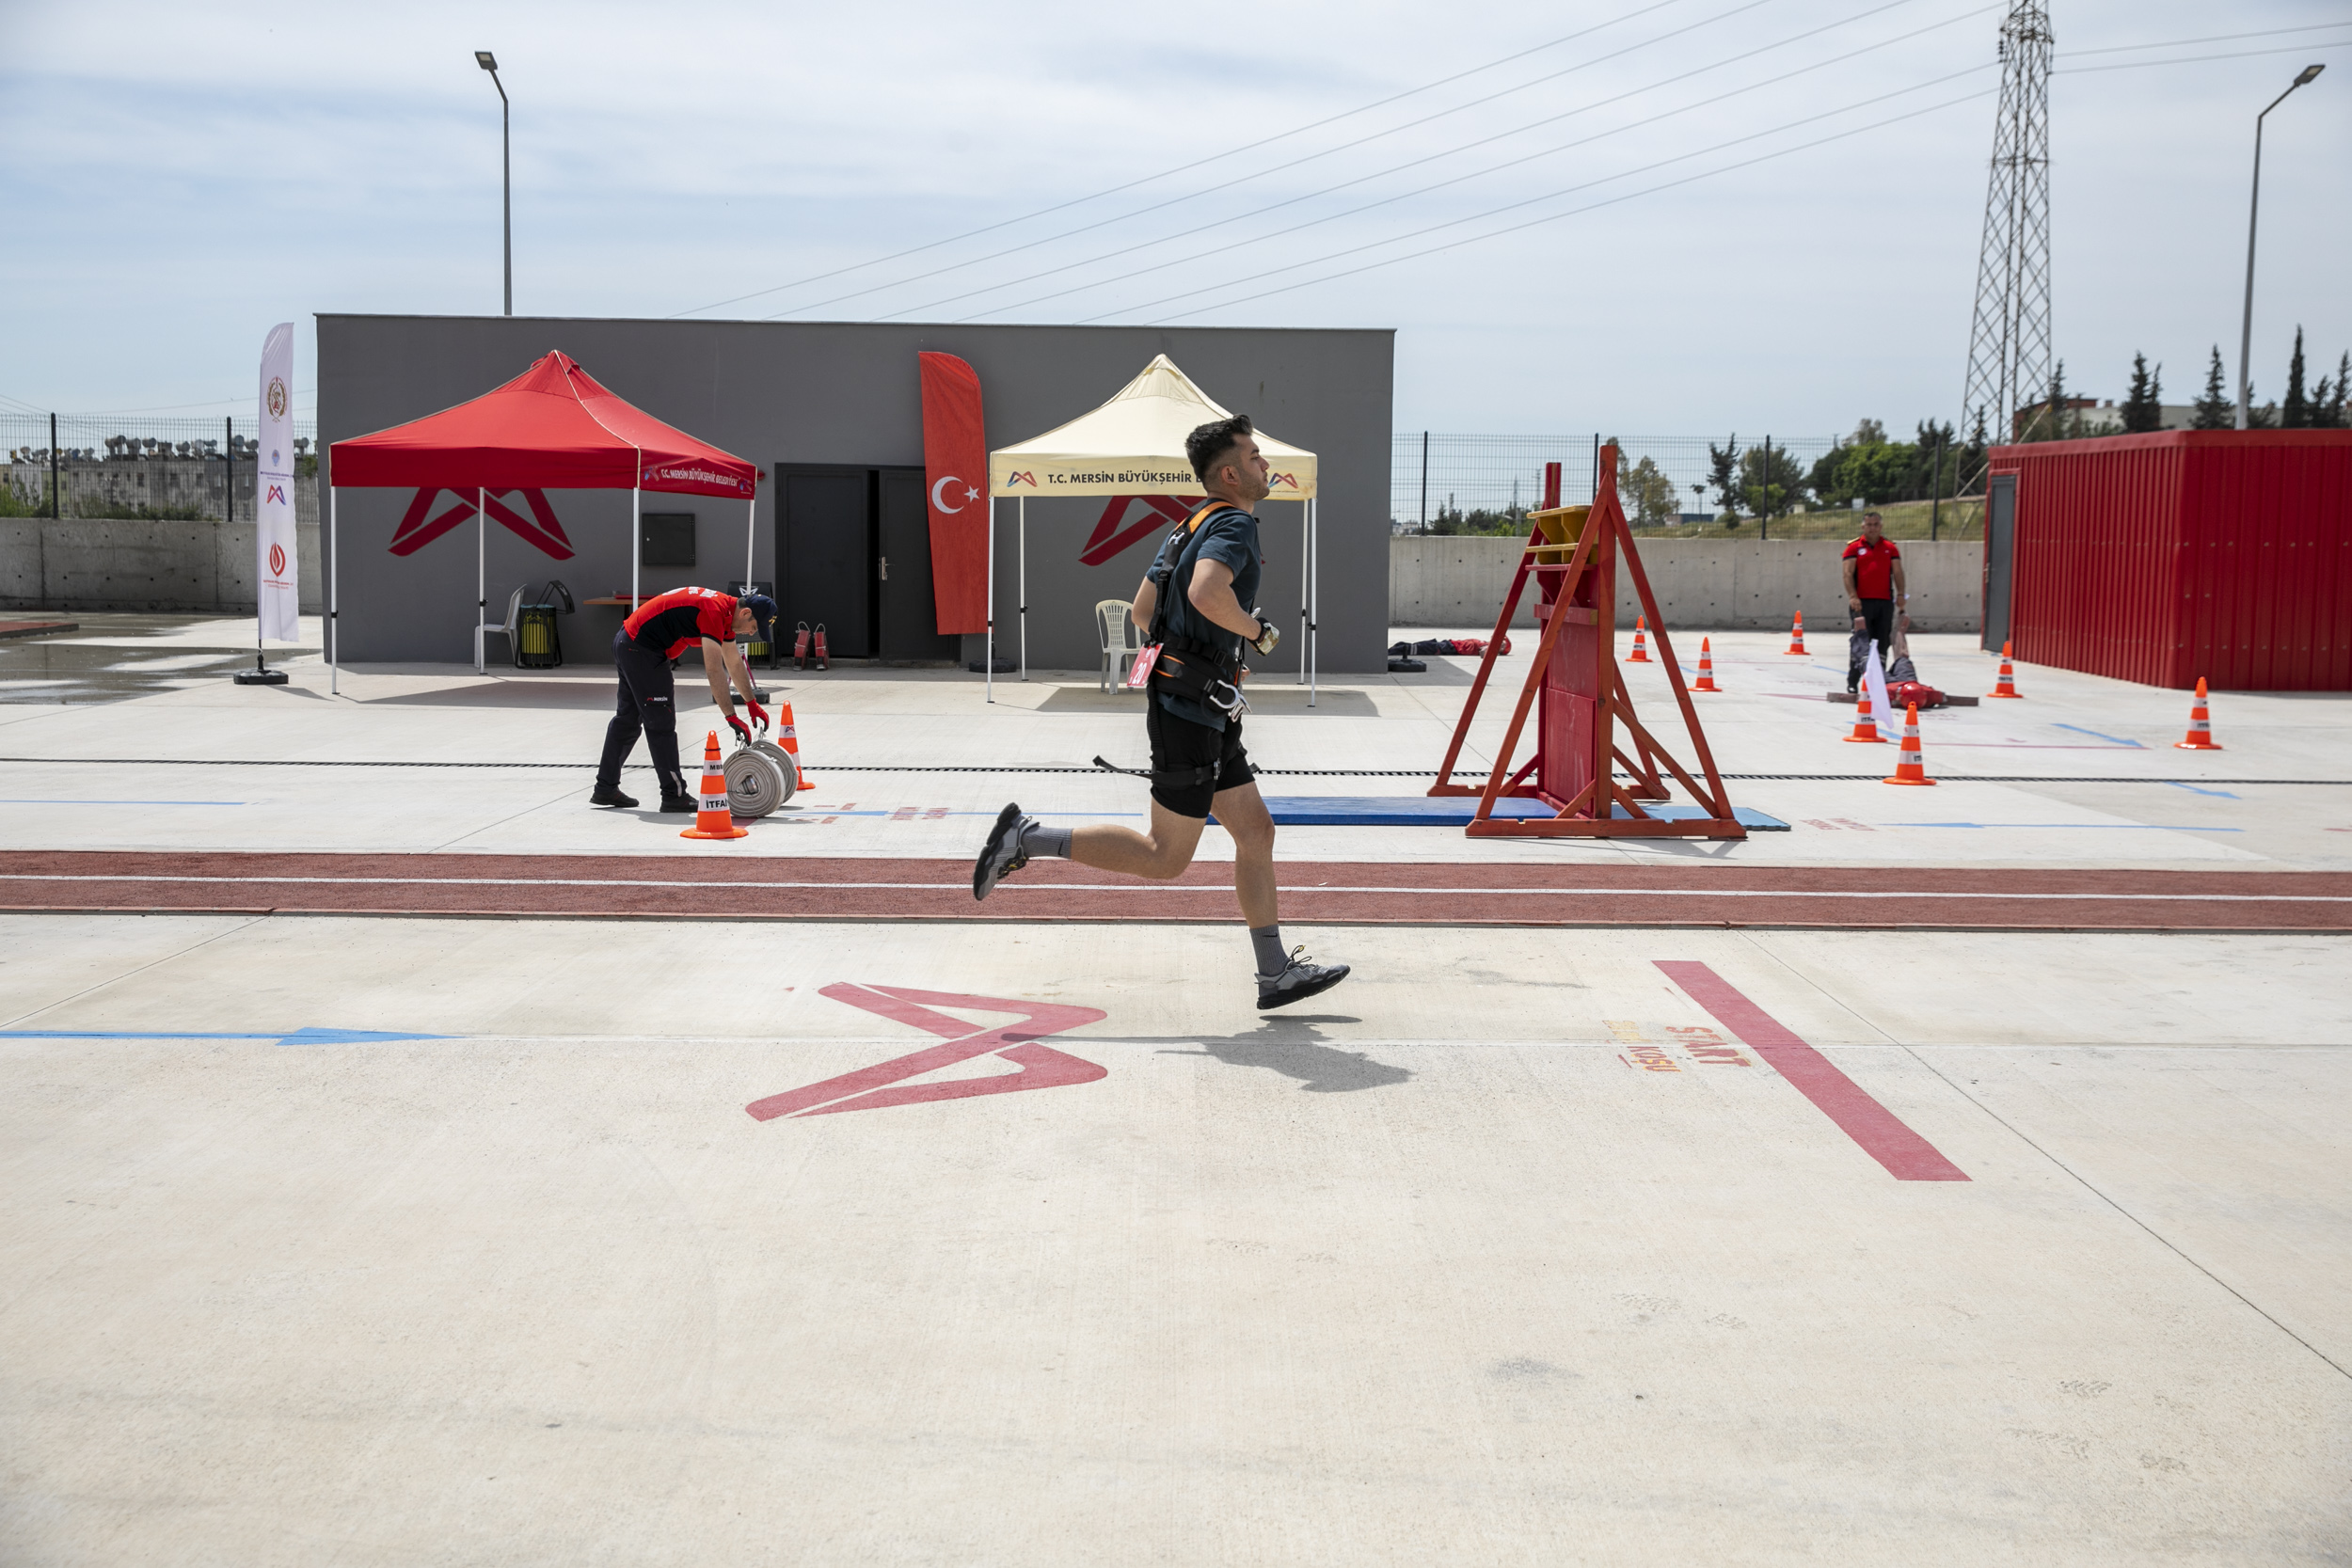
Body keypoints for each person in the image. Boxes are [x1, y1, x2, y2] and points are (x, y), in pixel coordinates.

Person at [971, 415, 1349, 1010]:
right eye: (1254, 457)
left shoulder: (1187, 525)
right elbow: (1204, 594)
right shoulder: (1235, 525)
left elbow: (1146, 611)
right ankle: (1027, 837)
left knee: (1255, 832)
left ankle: (1275, 973)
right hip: (1192, 712)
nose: (1264, 466)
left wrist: (1211, 655)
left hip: (1201, 704)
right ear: (1229, 473)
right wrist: (1256, 632)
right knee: (1165, 856)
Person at [593, 586, 774, 811]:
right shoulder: (714, 611)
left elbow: (733, 663)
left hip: (629, 642)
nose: (750, 633)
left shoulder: (726, 612)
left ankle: (605, 787)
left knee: (628, 720)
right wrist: (730, 716)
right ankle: (673, 794)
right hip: (642, 649)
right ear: (746, 613)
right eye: (754, 628)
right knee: (661, 723)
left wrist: (751, 703)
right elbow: (714, 668)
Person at [1841, 511, 1908, 694]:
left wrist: (1901, 594)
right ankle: (1853, 681)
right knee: (1860, 642)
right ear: (1863, 526)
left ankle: (1879, 681)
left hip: (1884, 602)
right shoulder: (1853, 548)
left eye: (1876, 524)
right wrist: (1853, 596)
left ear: (1881, 526)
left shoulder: (1890, 547)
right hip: (1861, 604)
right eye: (1869, 525)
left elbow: (1898, 572)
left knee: (1882, 642)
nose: (1872, 528)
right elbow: (1847, 574)